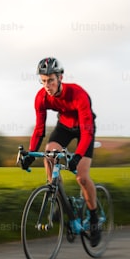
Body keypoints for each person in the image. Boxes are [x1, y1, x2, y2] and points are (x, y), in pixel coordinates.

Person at [21, 56, 101, 246]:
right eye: (43, 81)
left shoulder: (78, 94)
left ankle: (94, 218)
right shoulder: (41, 97)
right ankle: (57, 199)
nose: (47, 85)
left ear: (60, 78)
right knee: (49, 154)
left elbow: (88, 133)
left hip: (84, 130)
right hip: (64, 127)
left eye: (50, 80)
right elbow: (40, 129)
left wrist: (78, 156)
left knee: (81, 177)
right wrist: (31, 154)